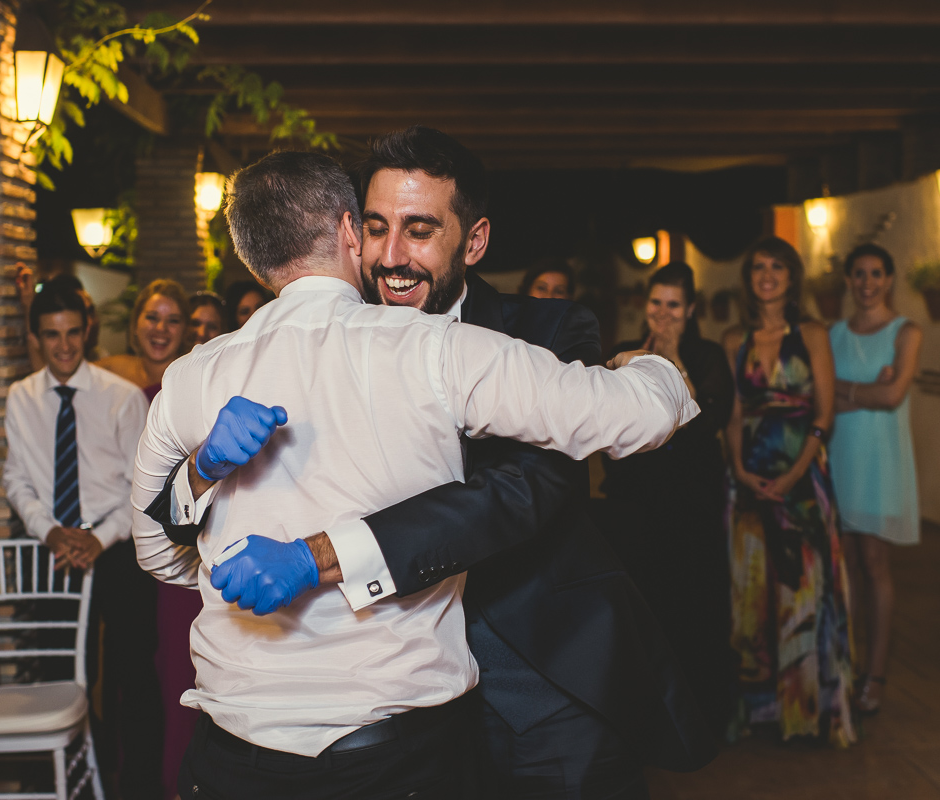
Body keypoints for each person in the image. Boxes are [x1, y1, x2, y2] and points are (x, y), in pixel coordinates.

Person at [150, 129, 716, 798]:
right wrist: (202, 473)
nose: (392, 256)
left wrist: (316, 557)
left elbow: (517, 494)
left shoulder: (544, 330)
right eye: (376, 228)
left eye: (418, 231)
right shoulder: (331, 334)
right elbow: (187, 527)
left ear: (473, 241)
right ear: (350, 232)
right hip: (395, 701)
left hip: (532, 671)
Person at [2, 282, 160, 798]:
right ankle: (66, 783)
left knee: (132, 675)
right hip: (56, 552)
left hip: (117, 550)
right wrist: (48, 531)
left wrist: (101, 538)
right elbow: (16, 479)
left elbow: (144, 487)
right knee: (57, 675)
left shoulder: (121, 397)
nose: (64, 345)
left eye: (72, 332)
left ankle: (134, 787)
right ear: (36, 338)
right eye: (52, 335)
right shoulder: (21, 398)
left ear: (87, 331)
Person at [723, 236, 856, 746]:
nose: (767, 275)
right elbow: (734, 413)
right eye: (758, 267)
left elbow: (825, 414)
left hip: (803, 480)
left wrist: (797, 472)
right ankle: (762, 712)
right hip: (749, 480)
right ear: (749, 278)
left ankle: (807, 711)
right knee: (752, 592)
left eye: (777, 266)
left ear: (791, 276)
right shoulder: (734, 337)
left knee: (804, 590)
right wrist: (739, 468)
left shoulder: (813, 334)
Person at [603, 262, 736, 737]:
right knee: (643, 602)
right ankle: (645, 720)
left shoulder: (707, 355)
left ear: (691, 310)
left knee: (694, 603)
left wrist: (675, 357)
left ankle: (700, 715)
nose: (663, 313)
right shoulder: (625, 351)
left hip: (692, 501)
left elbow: (706, 422)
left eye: (674, 305)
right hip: (638, 498)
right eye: (656, 302)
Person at [828, 243, 922, 716]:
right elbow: (822, 402)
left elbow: (892, 396)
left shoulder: (907, 332)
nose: (867, 283)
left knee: (874, 563)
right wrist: (867, 389)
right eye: (859, 274)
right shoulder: (832, 334)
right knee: (841, 567)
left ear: (889, 279)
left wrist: (846, 390)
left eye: (876, 274)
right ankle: (843, 667)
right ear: (849, 279)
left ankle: (876, 674)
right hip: (838, 458)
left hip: (881, 463)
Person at [97, 279, 189, 400]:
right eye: (152, 318)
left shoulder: (192, 380)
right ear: (136, 324)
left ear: (185, 330)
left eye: (173, 320)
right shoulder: (111, 370)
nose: (161, 328)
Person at [14, 266, 101, 371]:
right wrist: (29, 307)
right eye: (52, 334)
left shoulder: (99, 357)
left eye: (91, 312)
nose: (90, 321)